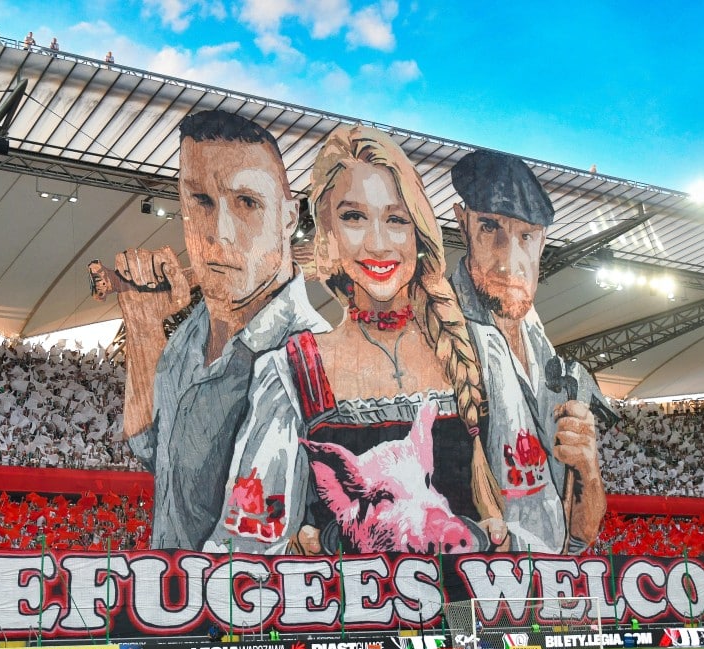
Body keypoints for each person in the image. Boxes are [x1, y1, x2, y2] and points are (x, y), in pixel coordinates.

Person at [204, 125, 506, 555]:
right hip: (354, 600)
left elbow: (537, 523)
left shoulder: (482, 353)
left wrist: (501, 533)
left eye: (396, 220)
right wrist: (304, 544)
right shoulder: (291, 371)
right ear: (327, 233)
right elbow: (249, 544)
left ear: (418, 232)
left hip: (466, 596)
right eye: (353, 217)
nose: (378, 244)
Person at [89, 110, 329, 552]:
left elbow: (248, 549)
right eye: (201, 200)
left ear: (289, 216)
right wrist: (143, 328)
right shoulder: (190, 334)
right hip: (174, 590)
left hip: (232, 596)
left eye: (247, 203)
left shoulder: (310, 354)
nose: (220, 233)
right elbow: (151, 450)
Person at [449, 150, 617, 553]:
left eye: (526, 236)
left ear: (543, 241)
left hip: (549, 578)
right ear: (462, 222)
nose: (510, 260)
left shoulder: (545, 349)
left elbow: (582, 534)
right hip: (480, 580)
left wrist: (588, 471)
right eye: (490, 227)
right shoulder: (441, 331)